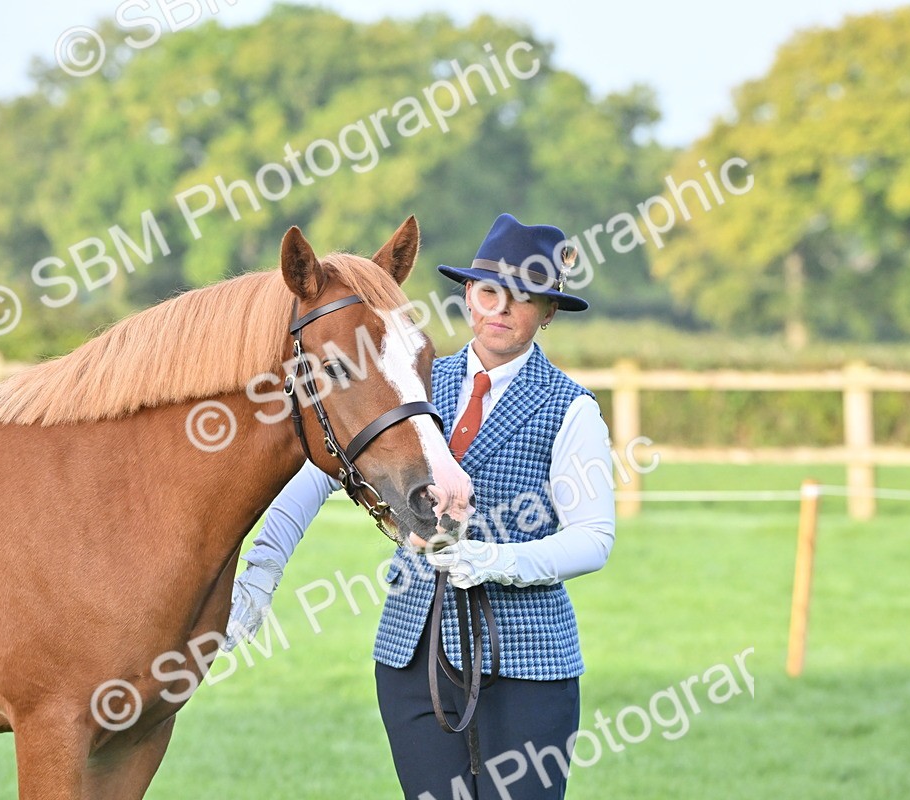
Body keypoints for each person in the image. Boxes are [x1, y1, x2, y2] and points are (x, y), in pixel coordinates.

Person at [225, 213, 616, 799]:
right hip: (413, 658)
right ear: (467, 295)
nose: (500, 309)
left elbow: (593, 538)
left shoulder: (570, 408)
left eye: (523, 298)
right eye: (488, 292)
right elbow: (317, 474)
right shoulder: (410, 377)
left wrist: (495, 561)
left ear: (548, 311)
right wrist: (263, 567)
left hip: (528, 666)